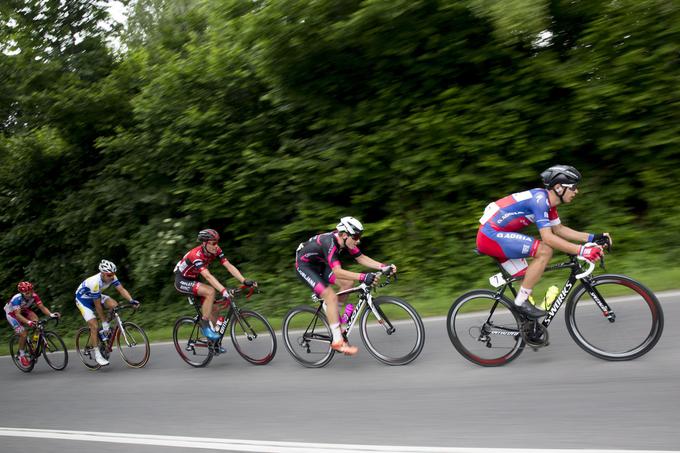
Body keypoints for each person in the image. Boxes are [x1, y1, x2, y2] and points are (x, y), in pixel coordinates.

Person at [476, 165, 612, 318]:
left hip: (498, 235)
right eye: (573, 187)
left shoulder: (549, 204)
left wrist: (594, 237)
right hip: (491, 235)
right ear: (559, 188)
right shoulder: (540, 201)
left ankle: (528, 328)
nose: (576, 191)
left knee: (528, 279)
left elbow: (559, 229)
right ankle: (520, 303)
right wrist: (582, 251)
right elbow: (548, 238)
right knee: (545, 250)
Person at [295, 216, 397, 355]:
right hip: (305, 266)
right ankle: (337, 341)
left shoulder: (345, 241)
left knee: (348, 283)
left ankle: (335, 316)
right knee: (330, 296)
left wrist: (384, 267)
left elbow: (361, 258)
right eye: (355, 236)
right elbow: (337, 271)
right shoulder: (329, 243)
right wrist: (363, 276)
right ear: (344, 235)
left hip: (319, 264)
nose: (358, 240)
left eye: (359, 236)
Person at [174, 229, 257, 341]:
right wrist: (223, 291)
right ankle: (205, 326)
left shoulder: (216, 250)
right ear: (204, 243)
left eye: (217, 242)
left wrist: (244, 280)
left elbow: (228, 265)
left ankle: (214, 342)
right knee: (210, 291)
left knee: (215, 308)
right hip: (182, 280)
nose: (216, 246)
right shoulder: (196, 255)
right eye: (213, 243)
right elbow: (207, 276)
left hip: (194, 279)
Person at [75, 259, 140, 366]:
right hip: (83, 299)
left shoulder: (112, 276)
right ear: (103, 273)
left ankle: (105, 330)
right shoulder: (94, 282)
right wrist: (104, 321)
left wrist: (131, 300)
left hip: (95, 296)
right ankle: (97, 354)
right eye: (109, 275)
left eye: (113, 274)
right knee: (94, 325)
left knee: (115, 305)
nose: (112, 277)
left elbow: (121, 289)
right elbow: (97, 305)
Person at [4, 281, 60, 367]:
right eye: (27, 293)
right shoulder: (17, 299)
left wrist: (51, 314)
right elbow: (17, 315)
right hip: (12, 314)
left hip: (23, 310)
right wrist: (28, 322)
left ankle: (34, 344)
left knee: (37, 322)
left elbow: (42, 307)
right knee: (23, 333)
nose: (30, 294)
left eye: (31, 291)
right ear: (22, 293)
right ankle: (21, 355)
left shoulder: (34, 295)